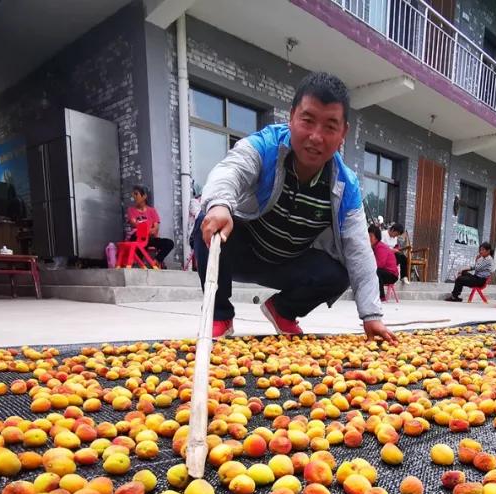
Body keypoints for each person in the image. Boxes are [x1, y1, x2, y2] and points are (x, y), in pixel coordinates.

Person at [193, 72, 396, 342]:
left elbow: (359, 251)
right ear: (291, 117)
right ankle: (219, 316)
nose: (316, 136)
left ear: (343, 133)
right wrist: (220, 204)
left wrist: (372, 316)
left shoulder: (345, 186)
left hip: (288, 263)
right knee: (208, 220)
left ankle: (283, 310)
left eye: (330, 126)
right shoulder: (266, 146)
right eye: (308, 120)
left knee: (340, 272)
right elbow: (231, 170)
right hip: (241, 250)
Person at [126, 185, 174, 267]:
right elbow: (134, 223)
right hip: (137, 238)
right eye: (133, 194)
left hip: (150, 239)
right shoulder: (131, 210)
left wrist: (145, 230)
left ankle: (156, 261)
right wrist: (147, 230)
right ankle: (139, 264)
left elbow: (155, 228)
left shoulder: (152, 211)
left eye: (136, 194)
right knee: (137, 241)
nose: (134, 196)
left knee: (169, 243)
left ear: (144, 196)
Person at [369, 224, 399, 301]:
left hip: (392, 275)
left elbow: (380, 265)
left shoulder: (380, 247)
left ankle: (381, 296)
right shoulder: (373, 247)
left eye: (371, 236)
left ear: (376, 238)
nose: (368, 239)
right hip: (384, 272)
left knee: (376, 271)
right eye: (367, 236)